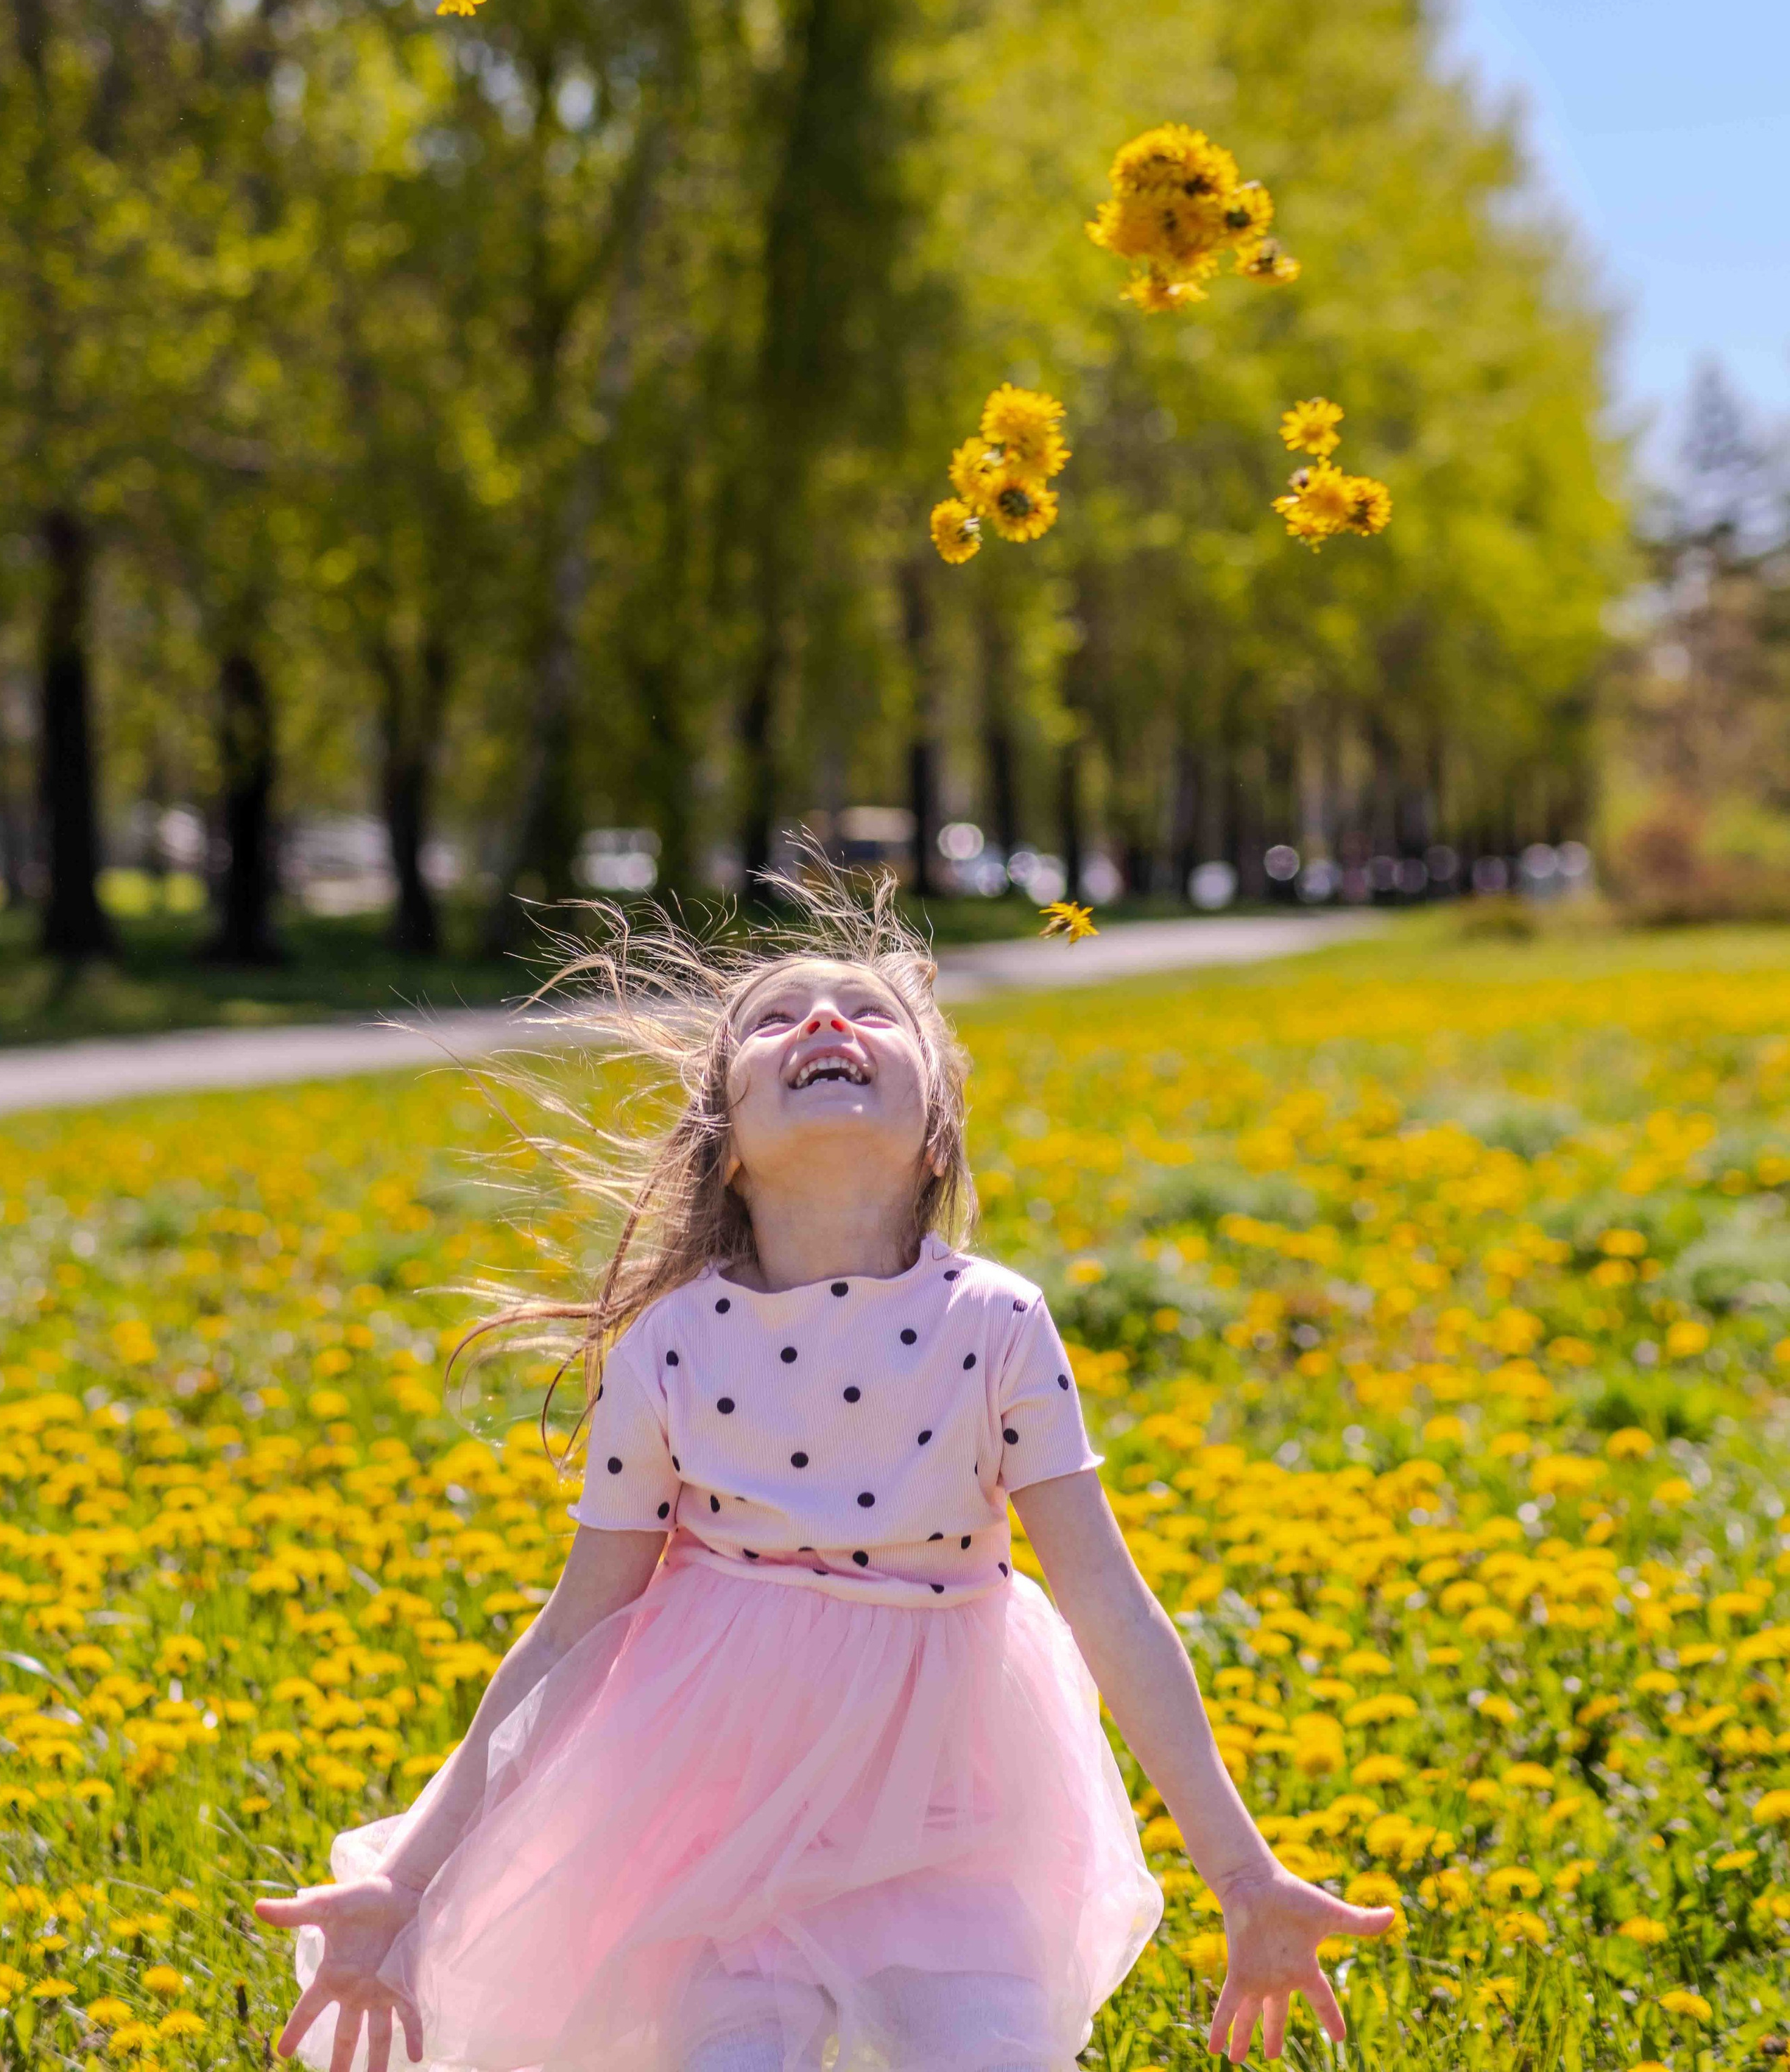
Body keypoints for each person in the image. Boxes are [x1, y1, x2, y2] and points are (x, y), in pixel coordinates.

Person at [257, 875, 1391, 2072]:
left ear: (935, 1133)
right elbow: (571, 1632)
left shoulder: (997, 1324)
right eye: (773, 1018)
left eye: (872, 1013)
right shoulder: (668, 1350)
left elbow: (1109, 1600)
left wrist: (1243, 1874)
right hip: (723, 1839)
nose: (825, 1021)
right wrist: (408, 1878)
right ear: (726, 1150)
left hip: (952, 1829)